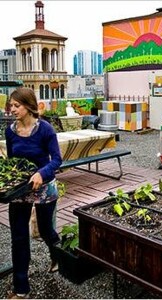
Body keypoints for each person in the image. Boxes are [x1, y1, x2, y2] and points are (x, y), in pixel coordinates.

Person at [5, 87, 62, 299]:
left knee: (47, 231)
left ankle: (57, 257)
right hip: (21, 189)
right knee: (19, 237)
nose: (12, 109)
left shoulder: (46, 129)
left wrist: (41, 173)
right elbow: (14, 161)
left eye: (17, 106)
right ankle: (21, 289)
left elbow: (56, 160)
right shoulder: (10, 131)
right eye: (11, 105)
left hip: (44, 186)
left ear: (29, 107)